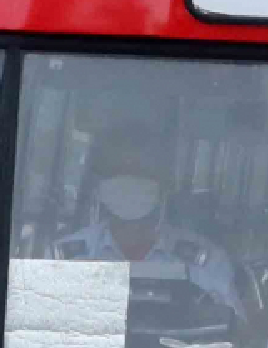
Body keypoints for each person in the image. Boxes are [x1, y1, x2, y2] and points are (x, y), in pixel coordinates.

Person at [52, 138, 247, 323]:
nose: (130, 184)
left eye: (141, 173)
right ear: (100, 186)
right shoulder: (64, 261)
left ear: (163, 185)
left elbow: (236, 334)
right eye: (119, 172)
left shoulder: (207, 263)